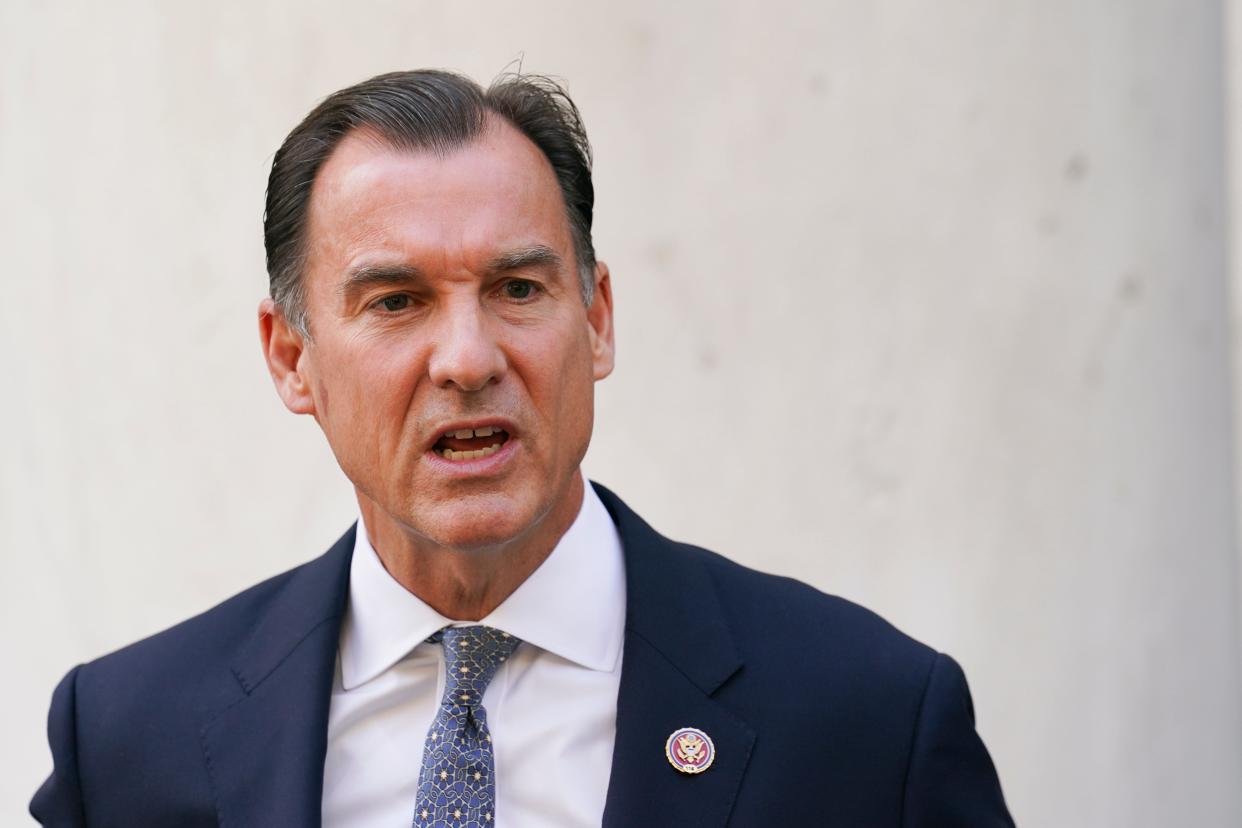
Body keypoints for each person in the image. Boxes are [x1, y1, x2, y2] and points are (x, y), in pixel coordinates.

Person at [31, 69, 1014, 827]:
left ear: (597, 320)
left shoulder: (867, 720)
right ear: (293, 359)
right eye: (397, 301)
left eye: (517, 289)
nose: (467, 358)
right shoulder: (128, 740)